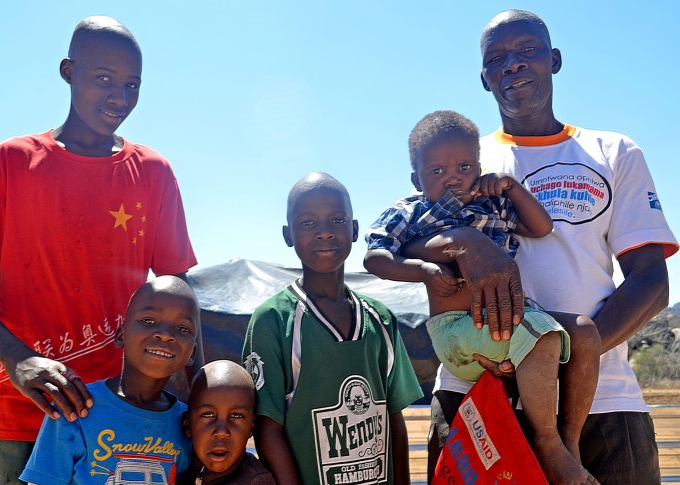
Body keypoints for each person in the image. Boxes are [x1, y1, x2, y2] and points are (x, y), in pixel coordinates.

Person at [414, 10, 678, 485]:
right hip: (475, 391)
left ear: (554, 60)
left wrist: (565, 357)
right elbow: (405, 241)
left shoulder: (613, 151)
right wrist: (466, 240)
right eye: (497, 57)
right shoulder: (458, 160)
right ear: (484, 78)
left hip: (602, 400)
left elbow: (651, 281)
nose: (513, 64)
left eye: (527, 50)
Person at [0, 16, 203, 483]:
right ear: (68, 71)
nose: (119, 98)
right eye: (103, 79)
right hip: (16, 404)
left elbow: (178, 294)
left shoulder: (152, 173)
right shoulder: (13, 161)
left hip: (115, 415)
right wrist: (17, 358)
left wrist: (200, 395)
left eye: (132, 85)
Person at [365, 109, 601, 485]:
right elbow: (375, 255)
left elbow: (542, 227)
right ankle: (547, 444)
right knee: (542, 336)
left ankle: (568, 442)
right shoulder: (412, 210)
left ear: (479, 165)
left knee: (585, 331)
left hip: (512, 323)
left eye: (464, 166)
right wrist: (422, 270)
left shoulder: (494, 204)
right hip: (459, 330)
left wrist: (511, 187)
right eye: (436, 172)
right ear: (416, 179)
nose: (452, 177)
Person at [242, 172, 423, 485]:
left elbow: (394, 415)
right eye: (308, 222)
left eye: (337, 220)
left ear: (354, 230)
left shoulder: (380, 318)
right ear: (288, 235)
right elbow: (266, 425)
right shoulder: (273, 319)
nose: (324, 232)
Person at [19, 276, 197, 484]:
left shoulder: (187, 423)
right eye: (149, 321)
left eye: (183, 328)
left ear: (192, 352)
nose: (166, 335)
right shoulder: (75, 408)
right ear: (121, 335)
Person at [179, 360, 275, 485]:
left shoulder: (257, 481)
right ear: (188, 425)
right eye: (208, 415)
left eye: (236, 416)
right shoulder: (175, 463)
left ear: (251, 427)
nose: (221, 432)